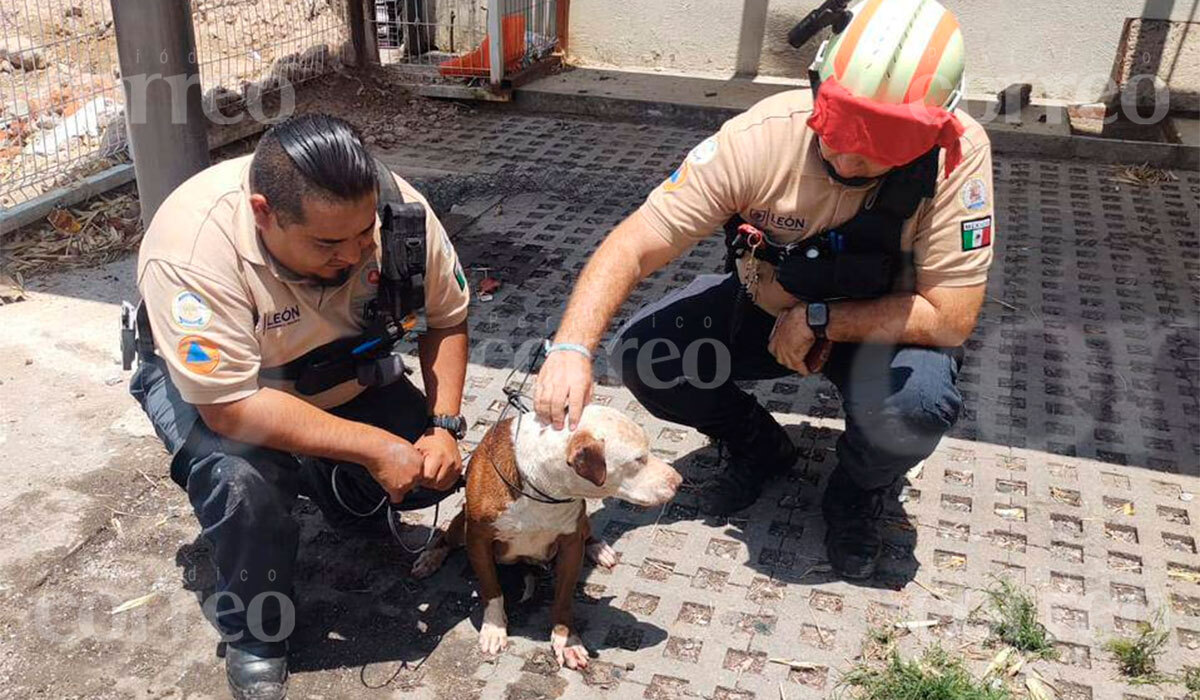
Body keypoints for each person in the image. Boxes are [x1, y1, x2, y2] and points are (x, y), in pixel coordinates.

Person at [534, 0, 993, 582]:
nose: (851, 155)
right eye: (842, 123)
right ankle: (759, 447)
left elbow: (951, 317)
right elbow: (635, 242)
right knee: (647, 356)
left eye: (887, 140)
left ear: (938, 129)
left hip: (884, 326)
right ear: (817, 83)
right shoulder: (761, 137)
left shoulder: (958, 155)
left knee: (918, 407)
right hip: (765, 306)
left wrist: (822, 320)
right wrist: (572, 348)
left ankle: (855, 492)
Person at [128, 114, 470, 699]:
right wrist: (372, 446)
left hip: (335, 371)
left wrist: (442, 427)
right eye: (329, 244)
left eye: (363, 235)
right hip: (224, 392)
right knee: (243, 480)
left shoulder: (396, 211)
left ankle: (333, 487)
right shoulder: (190, 249)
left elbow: (448, 317)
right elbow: (230, 409)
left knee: (428, 472)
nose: (356, 252)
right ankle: (257, 632)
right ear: (264, 214)